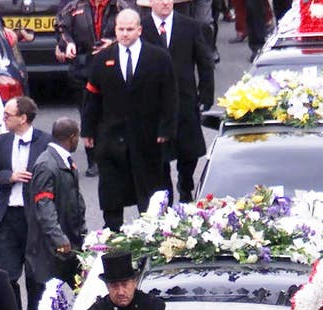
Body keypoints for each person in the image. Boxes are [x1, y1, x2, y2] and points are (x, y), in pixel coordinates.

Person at [82, 8, 177, 230]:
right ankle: (113, 235)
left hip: (148, 136)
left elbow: (170, 96)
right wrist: (88, 130)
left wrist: (166, 129)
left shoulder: (158, 58)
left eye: (129, 29)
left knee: (150, 188)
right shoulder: (103, 59)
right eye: (120, 29)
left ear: (139, 30)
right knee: (112, 190)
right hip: (112, 138)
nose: (124, 34)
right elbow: (92, 97)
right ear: (115, 29)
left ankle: (153, 231)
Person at [0, 96, 52, 310]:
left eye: (7, 115)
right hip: (9, 217)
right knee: (6, 277)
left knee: (36, 278)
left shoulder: (46, 141)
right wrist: (9, 176)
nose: (4, 118)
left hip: (34, 218)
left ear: (23, 118)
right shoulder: (0, 143)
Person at [142, 0, 214, 204]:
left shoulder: (190, 26)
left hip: (185, 100)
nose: (165, 2)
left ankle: (186, 185)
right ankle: (165, 193)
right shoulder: (143, 28)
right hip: (154, 105)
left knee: (188, 150)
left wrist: (206, 94)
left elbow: (204, 61)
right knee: (159, 155)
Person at [25, 117, 86, 310]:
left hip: (68, 245)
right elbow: (44, 207)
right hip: (52, 250)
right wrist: (59, 239)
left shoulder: (63, 161)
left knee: (82, 291)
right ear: (72, 137)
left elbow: (74, 203)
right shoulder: (47, 165)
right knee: (46, 305)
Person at [55, 0, 127, 177]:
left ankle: (114, 154)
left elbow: (132, 29)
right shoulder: (74, 7)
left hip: (112, 64)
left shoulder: (119, 6)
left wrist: (112, 42)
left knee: (111, 111)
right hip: (83, 66)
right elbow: (61, 28)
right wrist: (68, 43)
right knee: (88, 112)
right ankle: (93, 160)